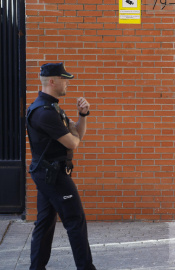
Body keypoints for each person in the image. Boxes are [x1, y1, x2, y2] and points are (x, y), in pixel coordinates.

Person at [27, 63, 96, 270]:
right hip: (54, 176)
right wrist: (74, 134)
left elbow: (77, 133)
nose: (67, 83)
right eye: (64, 79)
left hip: (48, 173)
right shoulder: (44, 112)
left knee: (45, 223)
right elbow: (74, 142)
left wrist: (82, 115)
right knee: (75, 221)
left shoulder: (52, 107)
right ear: (52, 81)